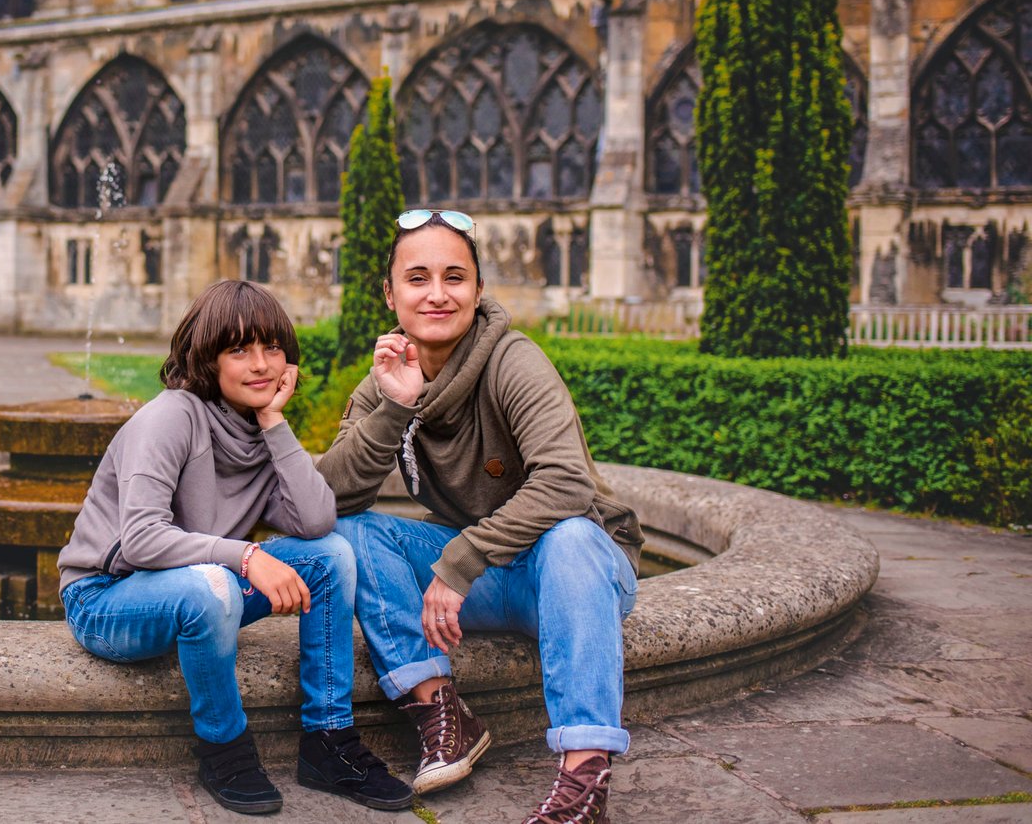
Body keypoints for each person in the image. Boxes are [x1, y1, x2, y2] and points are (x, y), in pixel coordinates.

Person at [316, 210, 643, 824]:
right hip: (500, 577)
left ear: (478, 290)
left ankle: (584, 780)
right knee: (349, 535)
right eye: (418, 278)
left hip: (576, 569)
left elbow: (566, 483)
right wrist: (394, 409)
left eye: (454, 277)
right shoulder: (387, 377)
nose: (437, 294)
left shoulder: (513, 361)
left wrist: (460, 561)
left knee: (570, 536)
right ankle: (444, 715)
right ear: (390, 294)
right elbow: (326, 501)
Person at [58, 279, 415, 816]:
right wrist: (248, 556)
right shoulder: (169, 417)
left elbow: (318, 521)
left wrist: (275, 422)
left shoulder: (259, 429)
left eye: (272, 347)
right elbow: (142, 537)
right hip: (105, 600)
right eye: (239, 349)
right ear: (207, 358)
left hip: (202, 589)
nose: (260, 364)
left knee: (334, 555)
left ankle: (328, 741)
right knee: (215, 583)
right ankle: (224, 747)